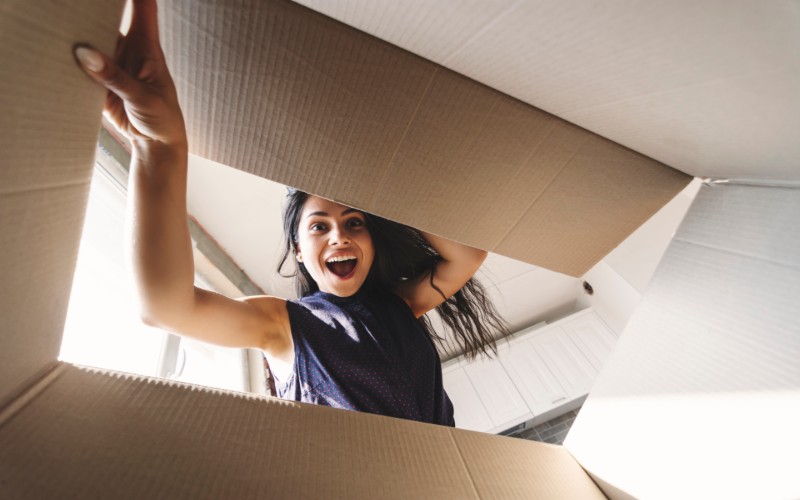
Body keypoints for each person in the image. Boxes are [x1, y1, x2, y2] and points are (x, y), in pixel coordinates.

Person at [73, 0, 507, 426]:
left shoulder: (400, 305)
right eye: (319, 226)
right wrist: (159, 147)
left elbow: (467, 255)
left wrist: (383, 178)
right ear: (299, 251)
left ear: (373, 241)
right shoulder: (281, 324)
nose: (340, 235)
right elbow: (167, 308)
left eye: (355, 222)